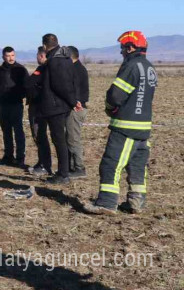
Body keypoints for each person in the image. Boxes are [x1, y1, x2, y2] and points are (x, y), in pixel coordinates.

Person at [84, 31, 156, 215]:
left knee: (111, 164)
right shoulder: (149, 67)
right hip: (143, 128)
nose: (121, 52)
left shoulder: (132, 66)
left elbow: (115, 95)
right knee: (137, 167)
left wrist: (110, 108)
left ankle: (106, 203)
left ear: (130, 47)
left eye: (123, 48)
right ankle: (136, 202)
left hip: (126, 126)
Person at [39, 34, 80, 185]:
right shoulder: (66, 58)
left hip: (55, 106)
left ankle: (63, 174)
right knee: (61, 139)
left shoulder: (55, 61)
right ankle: (64, 171)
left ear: (44, 45)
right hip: (63, 105)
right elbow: (71, 81)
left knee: (59, 140)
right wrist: (72, 100)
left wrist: (72, 101)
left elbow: (60, 85)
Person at [0, 47, 28, 167]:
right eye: (8, 56)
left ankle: (20, 158)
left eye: (12, 55)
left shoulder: (21, 69)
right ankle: (8, 156)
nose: (10, 58)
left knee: (18, 131)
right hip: (3, 105)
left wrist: (18, 95)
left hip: (16, 105)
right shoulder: (0, 70)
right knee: (6, 131)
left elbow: (26, 86)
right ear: (3, 57)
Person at [25, 47, 53, 177]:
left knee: (39, 135)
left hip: (39, 107)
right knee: (39, 136)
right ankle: (42, 163)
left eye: (37, 55)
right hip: (41, 106)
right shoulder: (48, 68)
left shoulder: (43, 69)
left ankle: (44, 166)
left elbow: (30, 83)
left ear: (41, 56)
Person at [66, 46, 89, 179]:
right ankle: (72, 166)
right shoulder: (76, 68)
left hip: (76, 108)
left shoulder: (77, 70)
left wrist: (75, 102)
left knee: (73, 139)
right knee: (70, 138)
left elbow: (75, 90)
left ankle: (79, 168)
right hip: (76, 107)